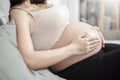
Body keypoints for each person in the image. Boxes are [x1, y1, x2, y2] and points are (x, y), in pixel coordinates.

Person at [9, 0, 120, 80]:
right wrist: (73, 48)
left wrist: (92, 30)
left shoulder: (41, 3)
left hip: (92, 50)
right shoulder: (18, 12)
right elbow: (29, 60)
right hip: (78, 64)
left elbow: (60, 29)